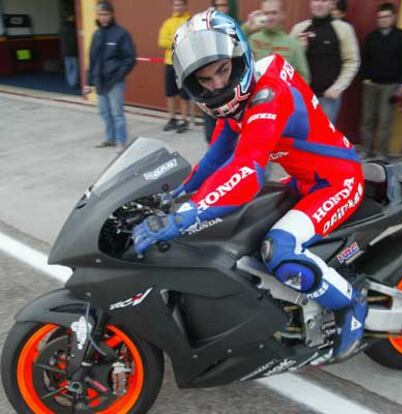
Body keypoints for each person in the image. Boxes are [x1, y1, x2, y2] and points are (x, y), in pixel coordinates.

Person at [132, 9, 367, 359]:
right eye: (205, 80)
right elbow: (217, 157)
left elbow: (248, 170)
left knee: (279, 250)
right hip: (304, 180)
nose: (217, 85)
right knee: (240, 238)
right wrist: (177, 193)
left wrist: (182, 218)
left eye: (223, 70)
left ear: (240, 56)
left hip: (338, 182)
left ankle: (350, 306)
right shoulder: (242, 97)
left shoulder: (267, 96)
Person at [290, 0, 360, 124]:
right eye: (316, 0)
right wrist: (300, 49)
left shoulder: (344, 29)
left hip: (327, 99)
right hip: (301, 97)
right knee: (298, 137)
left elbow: (352, 61)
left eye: (324, 0)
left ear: (331, 4)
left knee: (323, 139)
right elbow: (288, 62)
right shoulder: (299, 28)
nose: (319, 4)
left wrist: (338, 87)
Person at [360, 2, 402, 158]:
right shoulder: (371, 37)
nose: (382, 20)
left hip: (390, 86)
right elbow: (364, 59)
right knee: (367, 120)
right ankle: (366, 150)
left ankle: (382, 153)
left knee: (385, 121)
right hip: (371, 85)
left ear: (394, 17)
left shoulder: (401, 37)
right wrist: (364, 78)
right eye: (380, 17)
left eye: (386, 16)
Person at [84, 1, 136, 155]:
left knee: (117, 114)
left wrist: (118, 75)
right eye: (100, 14)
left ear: (111, 14)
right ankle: (110, 138)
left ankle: (120, 142)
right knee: (104, 112)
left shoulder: (121, 33)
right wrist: (89, 81)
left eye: (105, 14)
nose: (103, 17)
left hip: (115, 82)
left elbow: (130, 58)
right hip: (100, 81)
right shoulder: (97, 34)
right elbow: (92, 59)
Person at [242, 0, 310, 82]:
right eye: (266, 13)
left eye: (274, 13)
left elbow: (304, 78)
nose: (270, 17)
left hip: (281, 93)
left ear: (282, 15)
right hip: (253, 91)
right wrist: (246, 29)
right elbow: (231, 51)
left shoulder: (293, 44)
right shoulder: (252, 39)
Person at [158, 0, 191, 133]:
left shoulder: (190, 21)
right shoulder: (167, 23)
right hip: (169, 62)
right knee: (170, 93)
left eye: (180, 4)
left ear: (185, 5)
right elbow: (161, 42)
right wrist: (177, 41)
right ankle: (172, 119)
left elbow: (190, 40)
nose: (178, 7)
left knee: (184, 94)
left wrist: (172, 40)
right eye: (176, 5)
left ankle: (184, 120)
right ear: (172, 6)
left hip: (184, 63)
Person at [204, 1, 232, 144]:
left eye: (225, 5)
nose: (223, 9)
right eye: (220, 5)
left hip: (229, 88)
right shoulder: (204, 28)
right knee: (211, 134)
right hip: (211, 91)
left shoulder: (234, 27)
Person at [60, 13, 79, 88]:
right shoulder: (72, 27)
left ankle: (70, 82)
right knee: (74, 67)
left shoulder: (62, 27)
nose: (74, 17)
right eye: (72, 16)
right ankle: (74, 83)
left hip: (65, 51)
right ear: (69, 17)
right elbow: (73, 40)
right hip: (72, 51)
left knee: (69, 68)